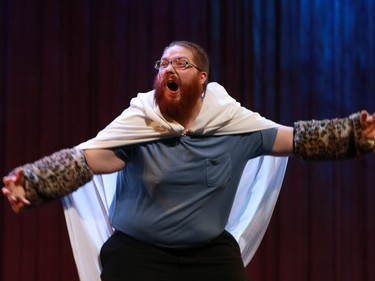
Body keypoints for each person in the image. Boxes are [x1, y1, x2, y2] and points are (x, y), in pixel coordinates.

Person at [2, 41, 375, 281]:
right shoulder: (141, 124)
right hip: (138, 254)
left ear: (202, 78)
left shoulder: (234, 127)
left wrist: (355, 134)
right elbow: (85, 161)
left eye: (180, 63)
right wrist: (31, 183)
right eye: (162, 63)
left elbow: (296, 139)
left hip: (208, 255)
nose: (168, 69)